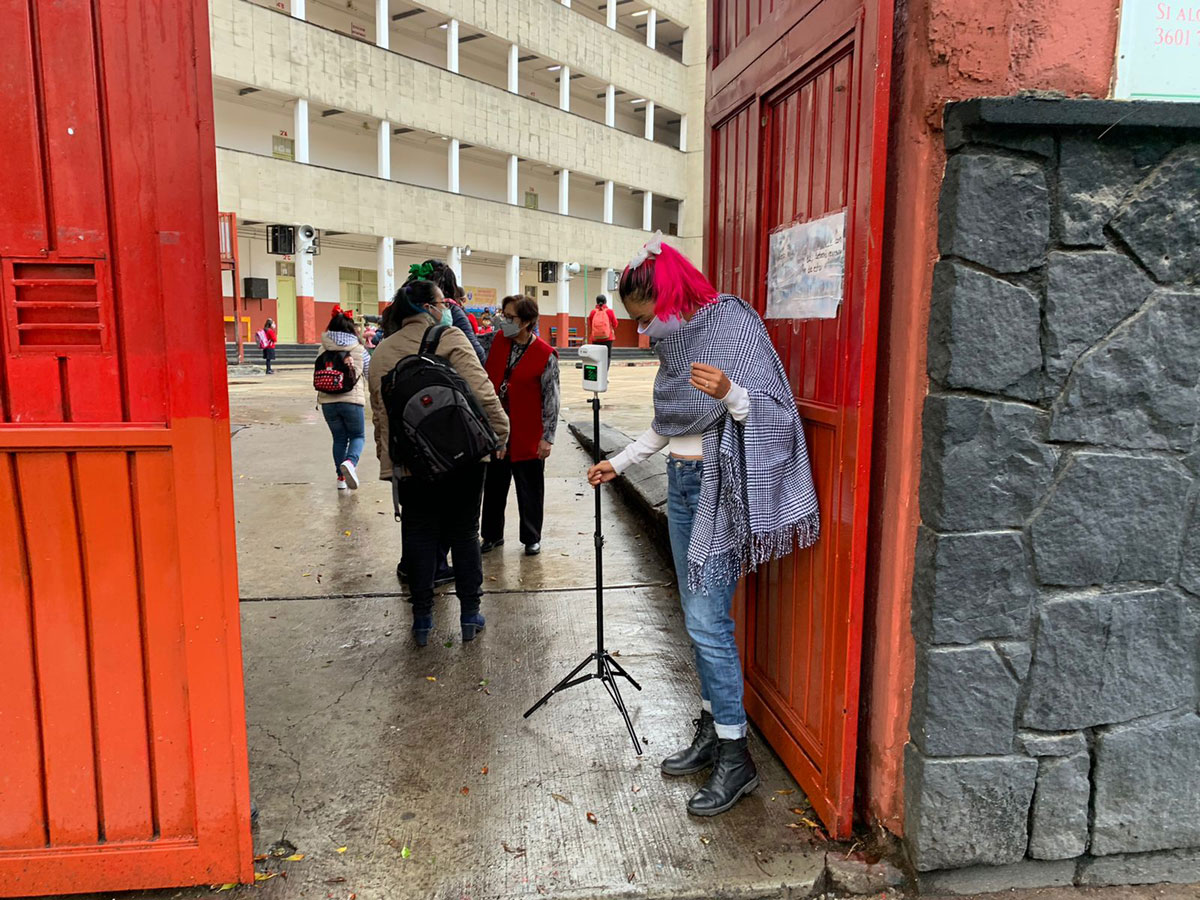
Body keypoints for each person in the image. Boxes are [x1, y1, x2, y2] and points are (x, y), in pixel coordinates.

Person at [587, 233, 820, 818]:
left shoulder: (731, 323)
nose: (642, 333)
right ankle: (715, 728)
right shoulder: (677, 345)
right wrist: (619, 463)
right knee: (700, 623)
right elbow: (670, 422)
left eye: (644, 319)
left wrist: (732, 392)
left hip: (721, 489)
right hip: (685, 487)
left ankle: (737, 758)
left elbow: (770, 406)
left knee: (707, 622)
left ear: (668, 296)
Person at [368, 278, 509, 646]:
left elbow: (380, 415)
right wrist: (499, 434)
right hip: (462, 458)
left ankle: (422, 622)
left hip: (412, 462)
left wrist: (390, 463)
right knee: (464, 533)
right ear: (430, 308)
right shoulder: (448, 337)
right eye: (441, 302)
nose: (445, 308)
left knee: (418, 535)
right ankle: (469, 616)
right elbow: (482, 391)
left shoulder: (382, 350)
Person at [481, 296, 559, 556]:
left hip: (528, 434)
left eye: (510, 318)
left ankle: (531, 537)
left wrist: (547, 437)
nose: (504, 321)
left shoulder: (545, 355)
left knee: (530, 490)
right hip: (496, 432)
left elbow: (551, 398)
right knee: (493, 487)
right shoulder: (494, 342)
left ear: (527, 322)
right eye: (503, 315)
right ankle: (491, 535)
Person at [318, 307, 370, 491]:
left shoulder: (322, 349)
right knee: (358, 436)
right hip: (352, 402)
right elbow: (369, 374)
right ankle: (350, 462)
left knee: (339, 439)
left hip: (327, 402)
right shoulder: (359, 350)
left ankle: (341, 479)